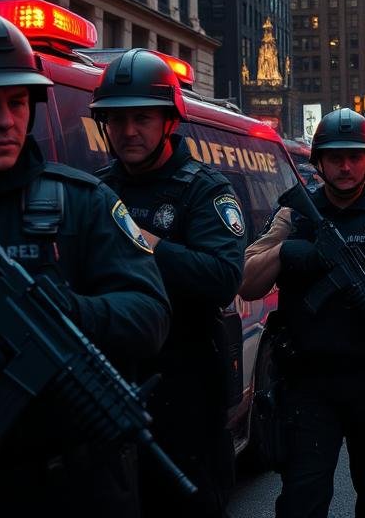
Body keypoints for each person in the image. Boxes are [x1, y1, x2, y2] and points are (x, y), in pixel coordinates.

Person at [0, 6, 170, 517]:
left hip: (68, 487)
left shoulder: (81, 201)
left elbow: (150, 313)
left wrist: (73, 313)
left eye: (17, 101)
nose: (7, 121)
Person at [238, 108, 365, 518]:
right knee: (302, 501)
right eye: (335, 157)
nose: (345, 166)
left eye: (354, 156)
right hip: (309, 383)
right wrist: (285, 252)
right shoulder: (293, 217)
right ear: (319, 162)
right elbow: (246, 281)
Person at [89, 48, 246, 518]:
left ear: (169, 122)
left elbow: (222, 278)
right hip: (110, 377)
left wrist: (145, 243)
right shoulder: (96, 190)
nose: (128, 131)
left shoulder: (205, 189)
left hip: (186, 382)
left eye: (142, 118)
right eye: (116, 120)